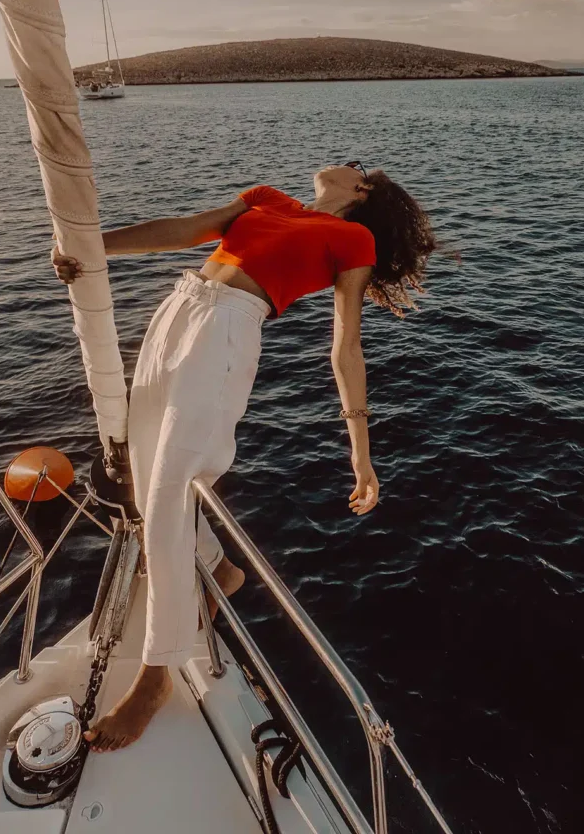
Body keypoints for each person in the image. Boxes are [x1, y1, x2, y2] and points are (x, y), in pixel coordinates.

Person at [52, 162, 437, 751]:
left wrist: (362, 454)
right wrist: (91, 250)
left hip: (228, 332)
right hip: (178, 309)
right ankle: (222, 570)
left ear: (363, 191)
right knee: (141, 475)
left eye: (359, 168)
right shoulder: (266, 199)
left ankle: (156, 676)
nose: (343, 163)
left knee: (169, 494)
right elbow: (185, 231)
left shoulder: (354, 238)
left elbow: (346, 346)